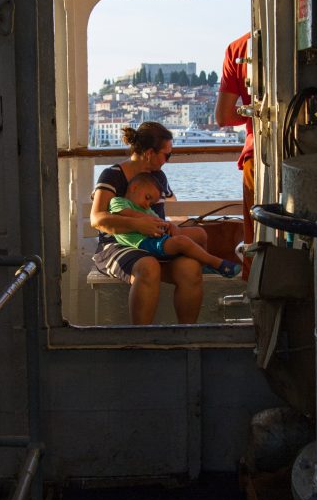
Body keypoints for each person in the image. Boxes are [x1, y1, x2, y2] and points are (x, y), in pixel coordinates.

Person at [90, 121, 206, 324]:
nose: (167, 160)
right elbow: (97, 218)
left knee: (190, 269)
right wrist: (137, 225)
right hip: (117, 244)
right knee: (148, 266)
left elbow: (171, 210)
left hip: (154, 243)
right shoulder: (112, 175)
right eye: (166, 155)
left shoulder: (158, 177)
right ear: (150, 153)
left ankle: (186, 335)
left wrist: (184, 227)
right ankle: (141, 336)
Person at [109, 172, 241, 277]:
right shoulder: (119, 201)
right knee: (182, 242)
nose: (147, 204)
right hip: (143, 243)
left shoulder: (147, 209)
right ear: (134, 187)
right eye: (147, 198)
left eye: (151, 203)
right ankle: (216, 263)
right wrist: (155, 221)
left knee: (200, 233)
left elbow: (160, 222)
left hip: (158, 237)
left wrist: (170, 225)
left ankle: (202, 265)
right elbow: (126, 214)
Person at [215, 31, 254, 279]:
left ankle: (256, 288)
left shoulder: (238, 48)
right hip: (313, 150)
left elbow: (224, 116)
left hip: (257, 155)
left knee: (256, 233)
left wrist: (252, 112)